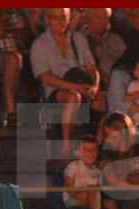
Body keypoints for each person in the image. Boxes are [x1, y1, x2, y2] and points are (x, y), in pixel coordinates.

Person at [31, 7, 101, 148]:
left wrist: (95, 86)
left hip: (81, 84)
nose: (60, 21)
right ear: (47, 19)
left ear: (69, 18)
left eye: (63, 17)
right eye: (55, 17)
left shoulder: (78, 39)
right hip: (56, 90)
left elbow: (92, 69)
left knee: (104, 99)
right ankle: (66, 144)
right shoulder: (40, 44)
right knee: (73, 97)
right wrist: (76, 88)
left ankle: (97, 144)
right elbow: (46, 78)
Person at [63, 135, 101, 209]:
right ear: (78, 152)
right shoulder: (73, 166)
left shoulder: (97, 171)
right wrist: (87, 190)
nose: (90, 153)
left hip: (91, 198)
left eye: (94, 150)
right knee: (91, 192)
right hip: (73, 199)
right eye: (86, 150)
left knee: (106, 200)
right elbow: (69, 189)